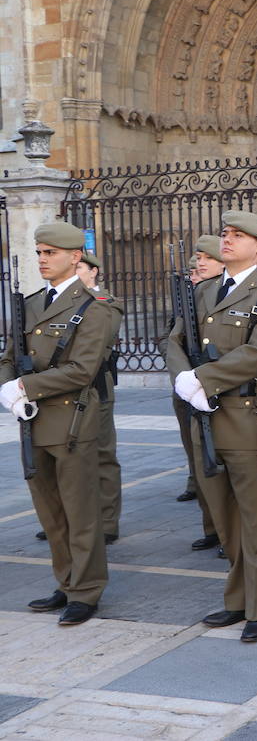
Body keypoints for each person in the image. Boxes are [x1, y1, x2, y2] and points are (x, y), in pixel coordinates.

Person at [166, 210, 257, 642]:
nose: (227, 240)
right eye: (225, 234)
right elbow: (175, 340)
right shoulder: (201, 291)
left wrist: (202, 378)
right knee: (225, 519)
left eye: (237, 235)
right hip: (206, 418)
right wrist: (183, 378)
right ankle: (236, 599)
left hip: (249, 419)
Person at [1, 221, 119, 626]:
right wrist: (7, 389)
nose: (42, 260)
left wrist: (24, 386)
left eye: (50, 253)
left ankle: (86, 591)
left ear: (74, 257)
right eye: (39, 252)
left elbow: (82, 370)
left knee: (80, 510)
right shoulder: (32, 303)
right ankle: (66, 581)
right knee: (50, 511)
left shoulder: (93, 307)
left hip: (72, 422)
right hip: (33, 421)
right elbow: (8, 355)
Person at [170, 235, 224, 553]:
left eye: (206, 259)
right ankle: (212, 527)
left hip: (217, 390)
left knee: (219, 464)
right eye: (196, 262)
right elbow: (174, 341)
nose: (199, 267)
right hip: (187, 389)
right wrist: (183, 379)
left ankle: (227, 529)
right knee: (198, 461)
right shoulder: (192, 296)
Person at [76, 251, 123, 545]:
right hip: (62, 390)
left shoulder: (106, 302)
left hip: (96, 386)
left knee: (102, 454)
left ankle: (107, 521)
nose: (75, 271)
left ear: (93, 271)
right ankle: (74, 518)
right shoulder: (53, 302)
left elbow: (103, 340)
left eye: (79, 266)